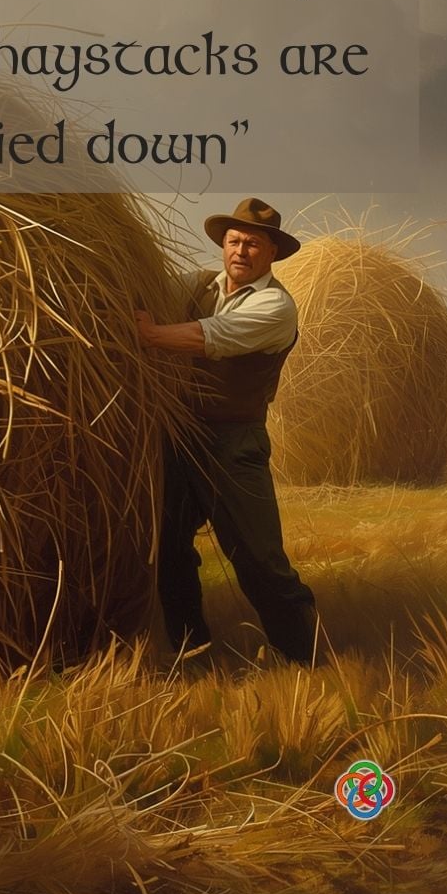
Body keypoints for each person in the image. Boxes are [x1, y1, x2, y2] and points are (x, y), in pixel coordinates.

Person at [135, 197, 318, 665]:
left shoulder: (275, 306)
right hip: (180, 436)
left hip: (233, 442)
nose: (241, 251)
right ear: (223, 245)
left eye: (253, 244)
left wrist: (151, 335)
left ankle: (305, 658)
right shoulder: (197, 284)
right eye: (234, 241)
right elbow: (148, 294)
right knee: (169, 548)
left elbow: (207, 337)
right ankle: (191, 651)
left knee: (258, 558)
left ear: (271, 253)